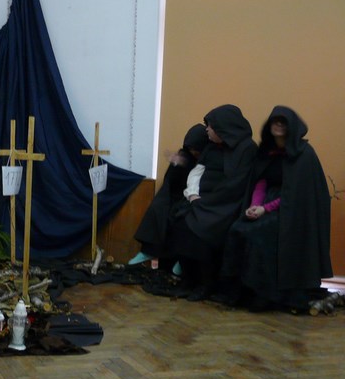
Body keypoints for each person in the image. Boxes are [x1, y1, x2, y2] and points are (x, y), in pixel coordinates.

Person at [219, 106, 332, 310]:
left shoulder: (305, 154)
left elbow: (297, 195)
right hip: (266, 203)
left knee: (259, 234)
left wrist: (266, 209)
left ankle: (266, 294)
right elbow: (262, 181)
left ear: (292, 127)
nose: (278, 125)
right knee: (238, 229)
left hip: (292, 212)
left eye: (283, 122)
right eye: (275, 121)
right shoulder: (266, 152)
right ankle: (243, 291)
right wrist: (255, 204)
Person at [164, 104, 257, 301]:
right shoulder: (212, 147)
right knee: (180, 221)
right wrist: (192, 194)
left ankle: (206, 284)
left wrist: (206, 202)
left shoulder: (246, 149)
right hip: (202, 201)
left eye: (211, 126)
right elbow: (197, 171)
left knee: (202, 230)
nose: (207, 130)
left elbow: (236, 185)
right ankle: (188, 280)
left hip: (226, 206)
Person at [129, 123, 209, 274]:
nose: (193, 153)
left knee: (180, 218)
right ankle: (148, 251)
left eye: (196, 150)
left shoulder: (208, 159)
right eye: (191, 149)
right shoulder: (184, 156)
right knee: (158, 209)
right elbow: (171, 181)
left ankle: (181, 261)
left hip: (193, 198)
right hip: (174, 195)